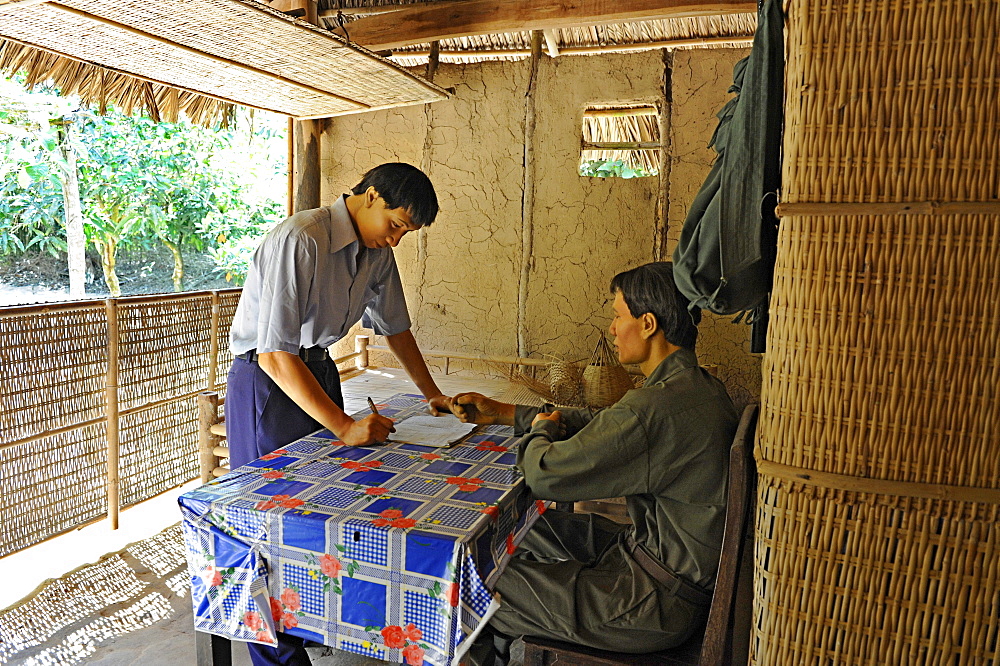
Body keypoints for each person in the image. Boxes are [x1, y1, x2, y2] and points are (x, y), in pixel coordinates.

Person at [450, 261, 739, 666]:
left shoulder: (653, 408)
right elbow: (609, 428)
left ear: (648, 324)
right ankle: (494, 638)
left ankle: (486, 649)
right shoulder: (698, 388)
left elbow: (543, 475)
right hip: (653, 564)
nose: (611, 328)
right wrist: (504, 412)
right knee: (513, 529)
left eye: (618, 315)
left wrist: (539, 435)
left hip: (651, 603)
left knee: (465, 578)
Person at [225, 162, 451, 666]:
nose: (395, 240)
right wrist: (344, 426)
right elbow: (275, 354)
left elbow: (395, 328)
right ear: (370, 196)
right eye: (395, 225)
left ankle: (312, 622)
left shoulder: (376, 254)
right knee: (269, 520)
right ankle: (275, 655)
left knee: (323, 507)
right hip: (268, 379)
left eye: (405, 234)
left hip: (317, 368)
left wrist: (432, 394)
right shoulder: (302, 238)